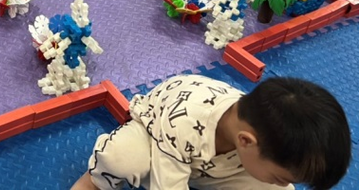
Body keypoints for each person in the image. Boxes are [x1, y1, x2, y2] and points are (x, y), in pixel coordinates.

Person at [70, 75, 351, 190]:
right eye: (280, 178)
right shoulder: (184, 124)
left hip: (217, 161)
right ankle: (93, 181)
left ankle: (201, 173)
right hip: (159, 137)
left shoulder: (260, 129)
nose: (283, 183)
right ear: (246, 141)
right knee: (120, 158)